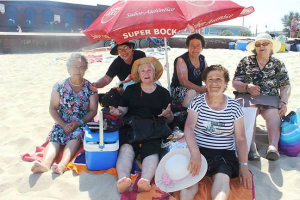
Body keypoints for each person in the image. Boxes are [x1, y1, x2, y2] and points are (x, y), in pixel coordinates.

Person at [180, 65, 252, 200]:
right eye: (210, 79)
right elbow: (189, 127)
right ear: (205, 83)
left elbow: (240, 139)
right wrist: (195, 154)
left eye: (218, 79)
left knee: (222, 180)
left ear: (225, 83)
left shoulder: (234, 107)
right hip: (199, 150)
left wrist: (243, 165)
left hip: (224, 154)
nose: (214, 83)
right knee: (189, 182)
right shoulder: (198, 102)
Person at [109, 57, 174, 193]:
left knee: (152, 152)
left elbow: (169, 120)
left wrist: (168, 114)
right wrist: (117, 112)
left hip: (154, 127)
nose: (146, 73)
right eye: (143, 71)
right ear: (138, 75)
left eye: (149, 70)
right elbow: (122, 111)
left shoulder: (163, 93)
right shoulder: (131, 89)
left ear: (154, 73)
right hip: (132, 126)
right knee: (126, 150)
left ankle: (144, 180)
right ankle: (123, 180)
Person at [31, 53, 98, 174]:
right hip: (63, 120)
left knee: (76, 134)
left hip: (82, 121)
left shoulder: (90, 88)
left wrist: (79, 122)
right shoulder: (59, 86)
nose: (78, 70)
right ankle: (45, 164)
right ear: (68, 68)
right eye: (74, 66)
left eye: (81, 67)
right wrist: (62, 124)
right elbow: (52, 108)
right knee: (55, 137)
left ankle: (62, 165)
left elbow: (93, 110)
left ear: (85, 69)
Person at [232, 33, 291, 161]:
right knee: (249, 112)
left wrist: (284, 102)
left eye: (265, 44)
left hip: (269, 98)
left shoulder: (277, 64)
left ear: (271, 47)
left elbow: (285, 86)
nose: (261, 46)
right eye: (258, 44)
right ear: (255, 48)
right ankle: (252, 148)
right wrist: (247, 87)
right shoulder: (245, 61)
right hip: (247, 96)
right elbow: (235, 82)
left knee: (273, 115)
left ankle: (273, 147)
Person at [170, 33, 207, 108]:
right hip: (178, 89)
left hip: (198, 87)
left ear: (202, 47)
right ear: (188, 47)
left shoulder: (202, 59)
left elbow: (208, 75)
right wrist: (201, 89)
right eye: (192, 45)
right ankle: (183, 113)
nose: (195, 48)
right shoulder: (181, 59)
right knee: (192, 93)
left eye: (198, 45)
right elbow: (183, 82)